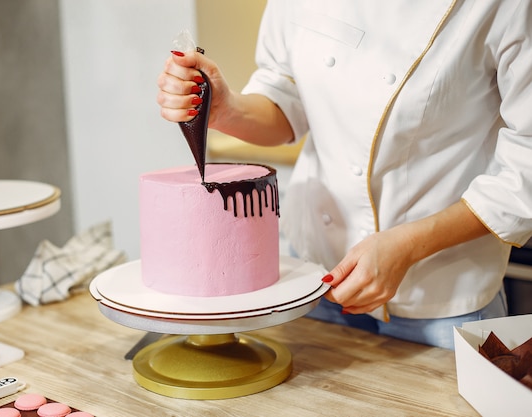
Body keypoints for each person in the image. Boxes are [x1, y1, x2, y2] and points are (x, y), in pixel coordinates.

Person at [156, 0, 532, 349]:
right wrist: (227, 110)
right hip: (313, 281)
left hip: (440, 300)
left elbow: (525, 168)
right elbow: (286, 96)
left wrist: (408, 246)